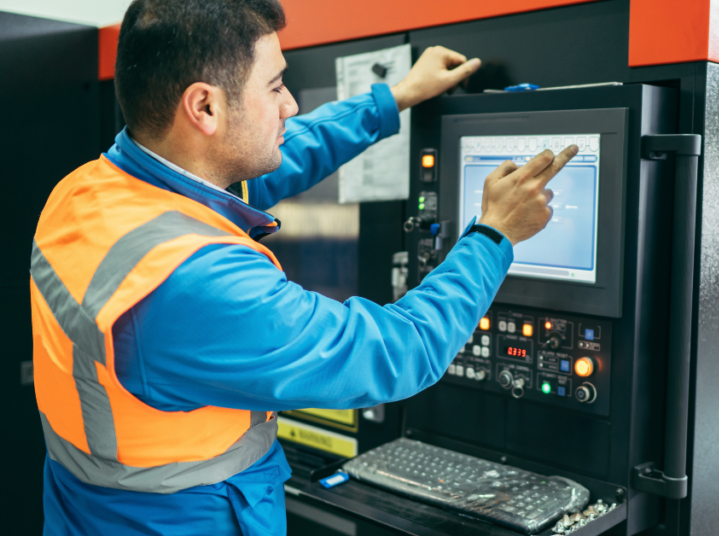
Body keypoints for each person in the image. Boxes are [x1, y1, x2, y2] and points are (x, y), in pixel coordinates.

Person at [31, 0, 577, 534]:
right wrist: (493, 234)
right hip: (188, 518)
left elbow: (271, 155)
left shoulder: (89, 191)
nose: (290, 105)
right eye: (274, 87)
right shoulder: (193, 281)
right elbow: (395, 352)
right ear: (205, 108)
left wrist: (395, 98)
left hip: (85, 509)